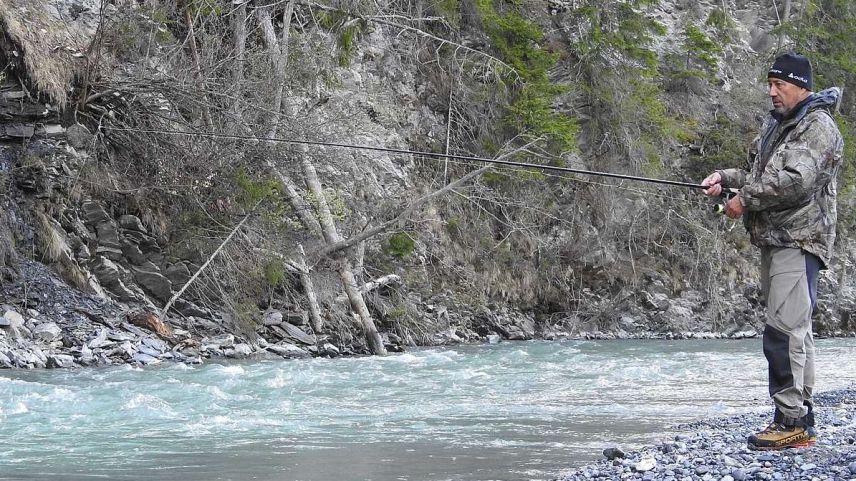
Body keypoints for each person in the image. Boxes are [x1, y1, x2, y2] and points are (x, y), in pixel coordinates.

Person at [701, 52, 844, 450]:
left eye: (780, 85)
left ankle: (791, 421)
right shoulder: (777, 125)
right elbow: (760, 175)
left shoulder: (817, 126)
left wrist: (743, 200)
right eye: (770, 84)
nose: (772, 92)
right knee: (794, 331)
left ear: (802, 86)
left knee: (782, 333)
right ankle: (800, 419)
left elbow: (796, 181)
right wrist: (725, 179)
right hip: (776, 240)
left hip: (798, 242)